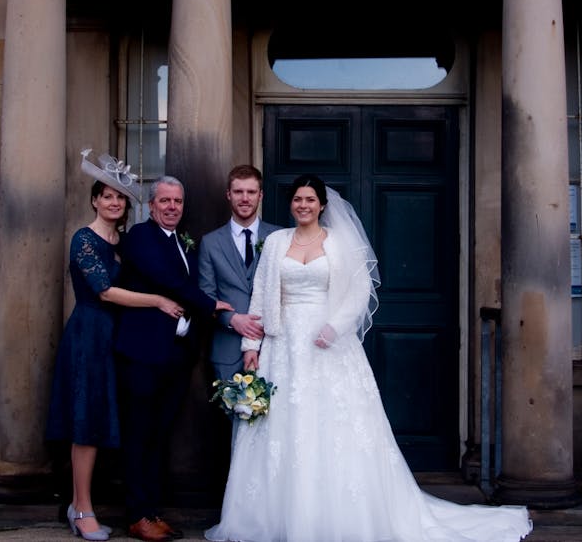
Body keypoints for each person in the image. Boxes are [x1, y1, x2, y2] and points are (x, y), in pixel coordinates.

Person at [205, 173, 532, 542]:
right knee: (282, 430)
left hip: (328, 345)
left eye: (310, 200)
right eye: (297, 199)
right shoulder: (277, 242)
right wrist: (251, 349)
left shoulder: (340, 243)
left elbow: (359, 293)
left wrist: (335, 327)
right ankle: (275, 517)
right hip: (282, 348)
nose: (303, 205)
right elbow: (262, 296)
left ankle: (336, 516)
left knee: (332, 428)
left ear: (322, 205)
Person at [46, 150, 185, 542]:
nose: (113, 202)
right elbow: (105, 291)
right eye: (106, 195)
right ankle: (82, 508)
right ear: (94, 199)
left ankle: (107, 505)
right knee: (86, 421)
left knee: (112, 420)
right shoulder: (83, 239)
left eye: (120, 197)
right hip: (90, 334)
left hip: (121, 338)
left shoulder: (125, 241)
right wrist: (159, 301)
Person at [115, 176, 232, 542]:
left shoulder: (183, 241)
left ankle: (151, 511)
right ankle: (137, 515)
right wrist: (212, 305)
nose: (171, 207)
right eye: (164, 201)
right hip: (143, 353)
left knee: (158, 435)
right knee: (138, 433)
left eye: (177, 202)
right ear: (151, 206)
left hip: (175, 356)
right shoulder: (140, 238)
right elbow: (169, 281)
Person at [198, 164, 279, 382]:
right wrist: (232, 319)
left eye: (251, 192)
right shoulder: (210, 243)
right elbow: (206, 296)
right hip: (227, 349)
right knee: (230, 416)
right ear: (228, 195)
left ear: (260, 195)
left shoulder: (279, 237)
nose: (245, 198)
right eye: (238, 192)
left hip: (274, 347)